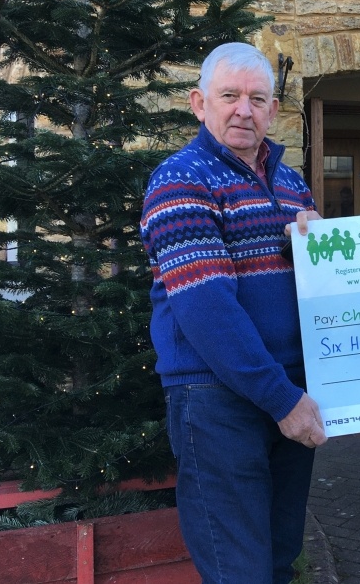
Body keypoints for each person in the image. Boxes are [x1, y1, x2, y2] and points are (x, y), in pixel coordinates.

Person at [140, 42, 327, 584]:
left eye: (257, 98)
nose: (244, 109)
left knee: (277, 557)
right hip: (217, 401)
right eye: (230, 96)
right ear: (200, 104)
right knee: (238, 570)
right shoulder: (181, 179)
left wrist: (330, 245)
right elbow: (206, 308)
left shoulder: (291, 184)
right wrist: (282, 398)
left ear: (272, 110)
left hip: (287, 389)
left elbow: (320, 282)